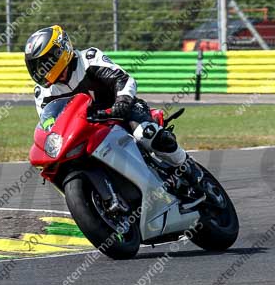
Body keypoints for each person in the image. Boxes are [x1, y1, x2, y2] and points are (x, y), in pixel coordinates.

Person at [25, 25, 203, 187]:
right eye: (36, 67)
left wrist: (122, 101)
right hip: (85, 129)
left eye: (45, 62)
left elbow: (123, 79)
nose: (41, 70)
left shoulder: (88, 59)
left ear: (60, 51)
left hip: (120, 112)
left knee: (146, 133)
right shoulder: (43, 92)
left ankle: (188, 167)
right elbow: (48, 123)